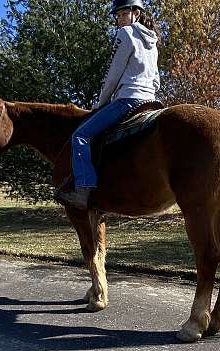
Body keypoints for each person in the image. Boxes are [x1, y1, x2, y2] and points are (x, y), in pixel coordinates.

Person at [55, 0, 160, 210]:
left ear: (136, 13)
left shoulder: (125, 34)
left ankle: (83, 190)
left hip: (128, 98)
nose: (119, 19)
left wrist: (100, 104)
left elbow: (113, 76)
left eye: (122, 14)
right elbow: (156, 78)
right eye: (118, 15)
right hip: (151, 100)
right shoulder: (153, 42)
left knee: (81, 136)